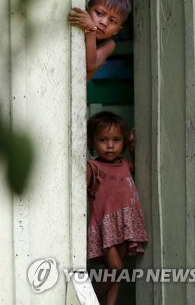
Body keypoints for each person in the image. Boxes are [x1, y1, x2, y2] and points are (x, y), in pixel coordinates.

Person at [86, 111, 148, 305]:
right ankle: (90, 298)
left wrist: (132, 147)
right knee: (116, 268)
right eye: (103, 140)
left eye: (116, 140)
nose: (110, 145)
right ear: (92, 142)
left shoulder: (124, 164)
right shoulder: (92, 167)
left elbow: (141, 166)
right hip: (106, 225)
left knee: (115, 271)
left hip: (125, 223)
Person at [68, 0, 131, 81]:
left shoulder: (109, 45)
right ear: (87, 10)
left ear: (117, 30)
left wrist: (91, 31)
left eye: (112, 21)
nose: (104, 23)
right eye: (99, 13)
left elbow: (89, 65)